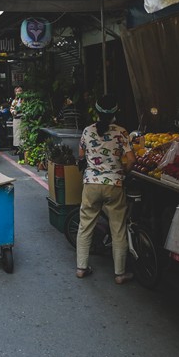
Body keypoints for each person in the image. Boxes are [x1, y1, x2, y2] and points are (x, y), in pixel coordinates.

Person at [75, 95, 136, 284]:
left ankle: (81, 268)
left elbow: (81, 155)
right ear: (115, 113)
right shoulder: (122, 132)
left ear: (97, 111)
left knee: (85, 225)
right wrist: (122, 173)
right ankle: (119, 273)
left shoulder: (87, 131)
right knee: (118, 227)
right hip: (114, 184)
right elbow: (132, 160)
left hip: (91, 183)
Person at [10, 86, 24, 151]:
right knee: (17, 135)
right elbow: (11, 109)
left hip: (23, 120)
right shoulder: (14, 101)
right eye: (16, 91)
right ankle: (18, 151)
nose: (18, 93)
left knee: (23, 135)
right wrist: (14, 112)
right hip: (16, 119)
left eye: (19, 91)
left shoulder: (24, 100)